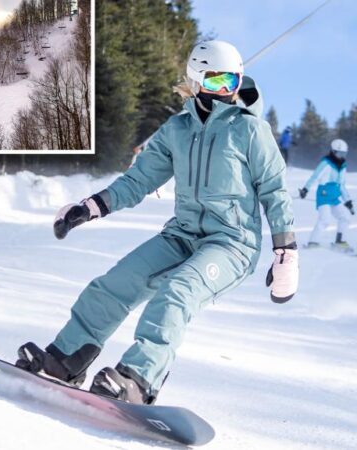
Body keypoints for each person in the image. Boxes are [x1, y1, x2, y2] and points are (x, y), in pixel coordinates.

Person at [15, 40, 298, 404]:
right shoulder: (176, 130)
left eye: (232, 81)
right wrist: (91, 206)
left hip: (232, 244)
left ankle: (139, 378)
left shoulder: (249, 130)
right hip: (182, 236)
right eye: (215, 82)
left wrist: (286, 250)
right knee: (113, 285)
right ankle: (66, 359)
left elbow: (275, 189)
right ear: (196, 82)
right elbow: (139, 180)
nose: (225, 91)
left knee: (176, 293)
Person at [299, 138, 354, 251]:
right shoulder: (326, 163)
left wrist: (347, 201)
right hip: (323, 195)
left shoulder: (343, 165)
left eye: (344, 153)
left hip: (335, 196)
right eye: (340, 153)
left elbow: (342, 184)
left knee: (345, 217)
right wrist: (305, 189)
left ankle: (339, 241)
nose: (342, 155)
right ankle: (313, 242)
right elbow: (314, 176)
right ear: (333, 151)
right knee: (325, 219)